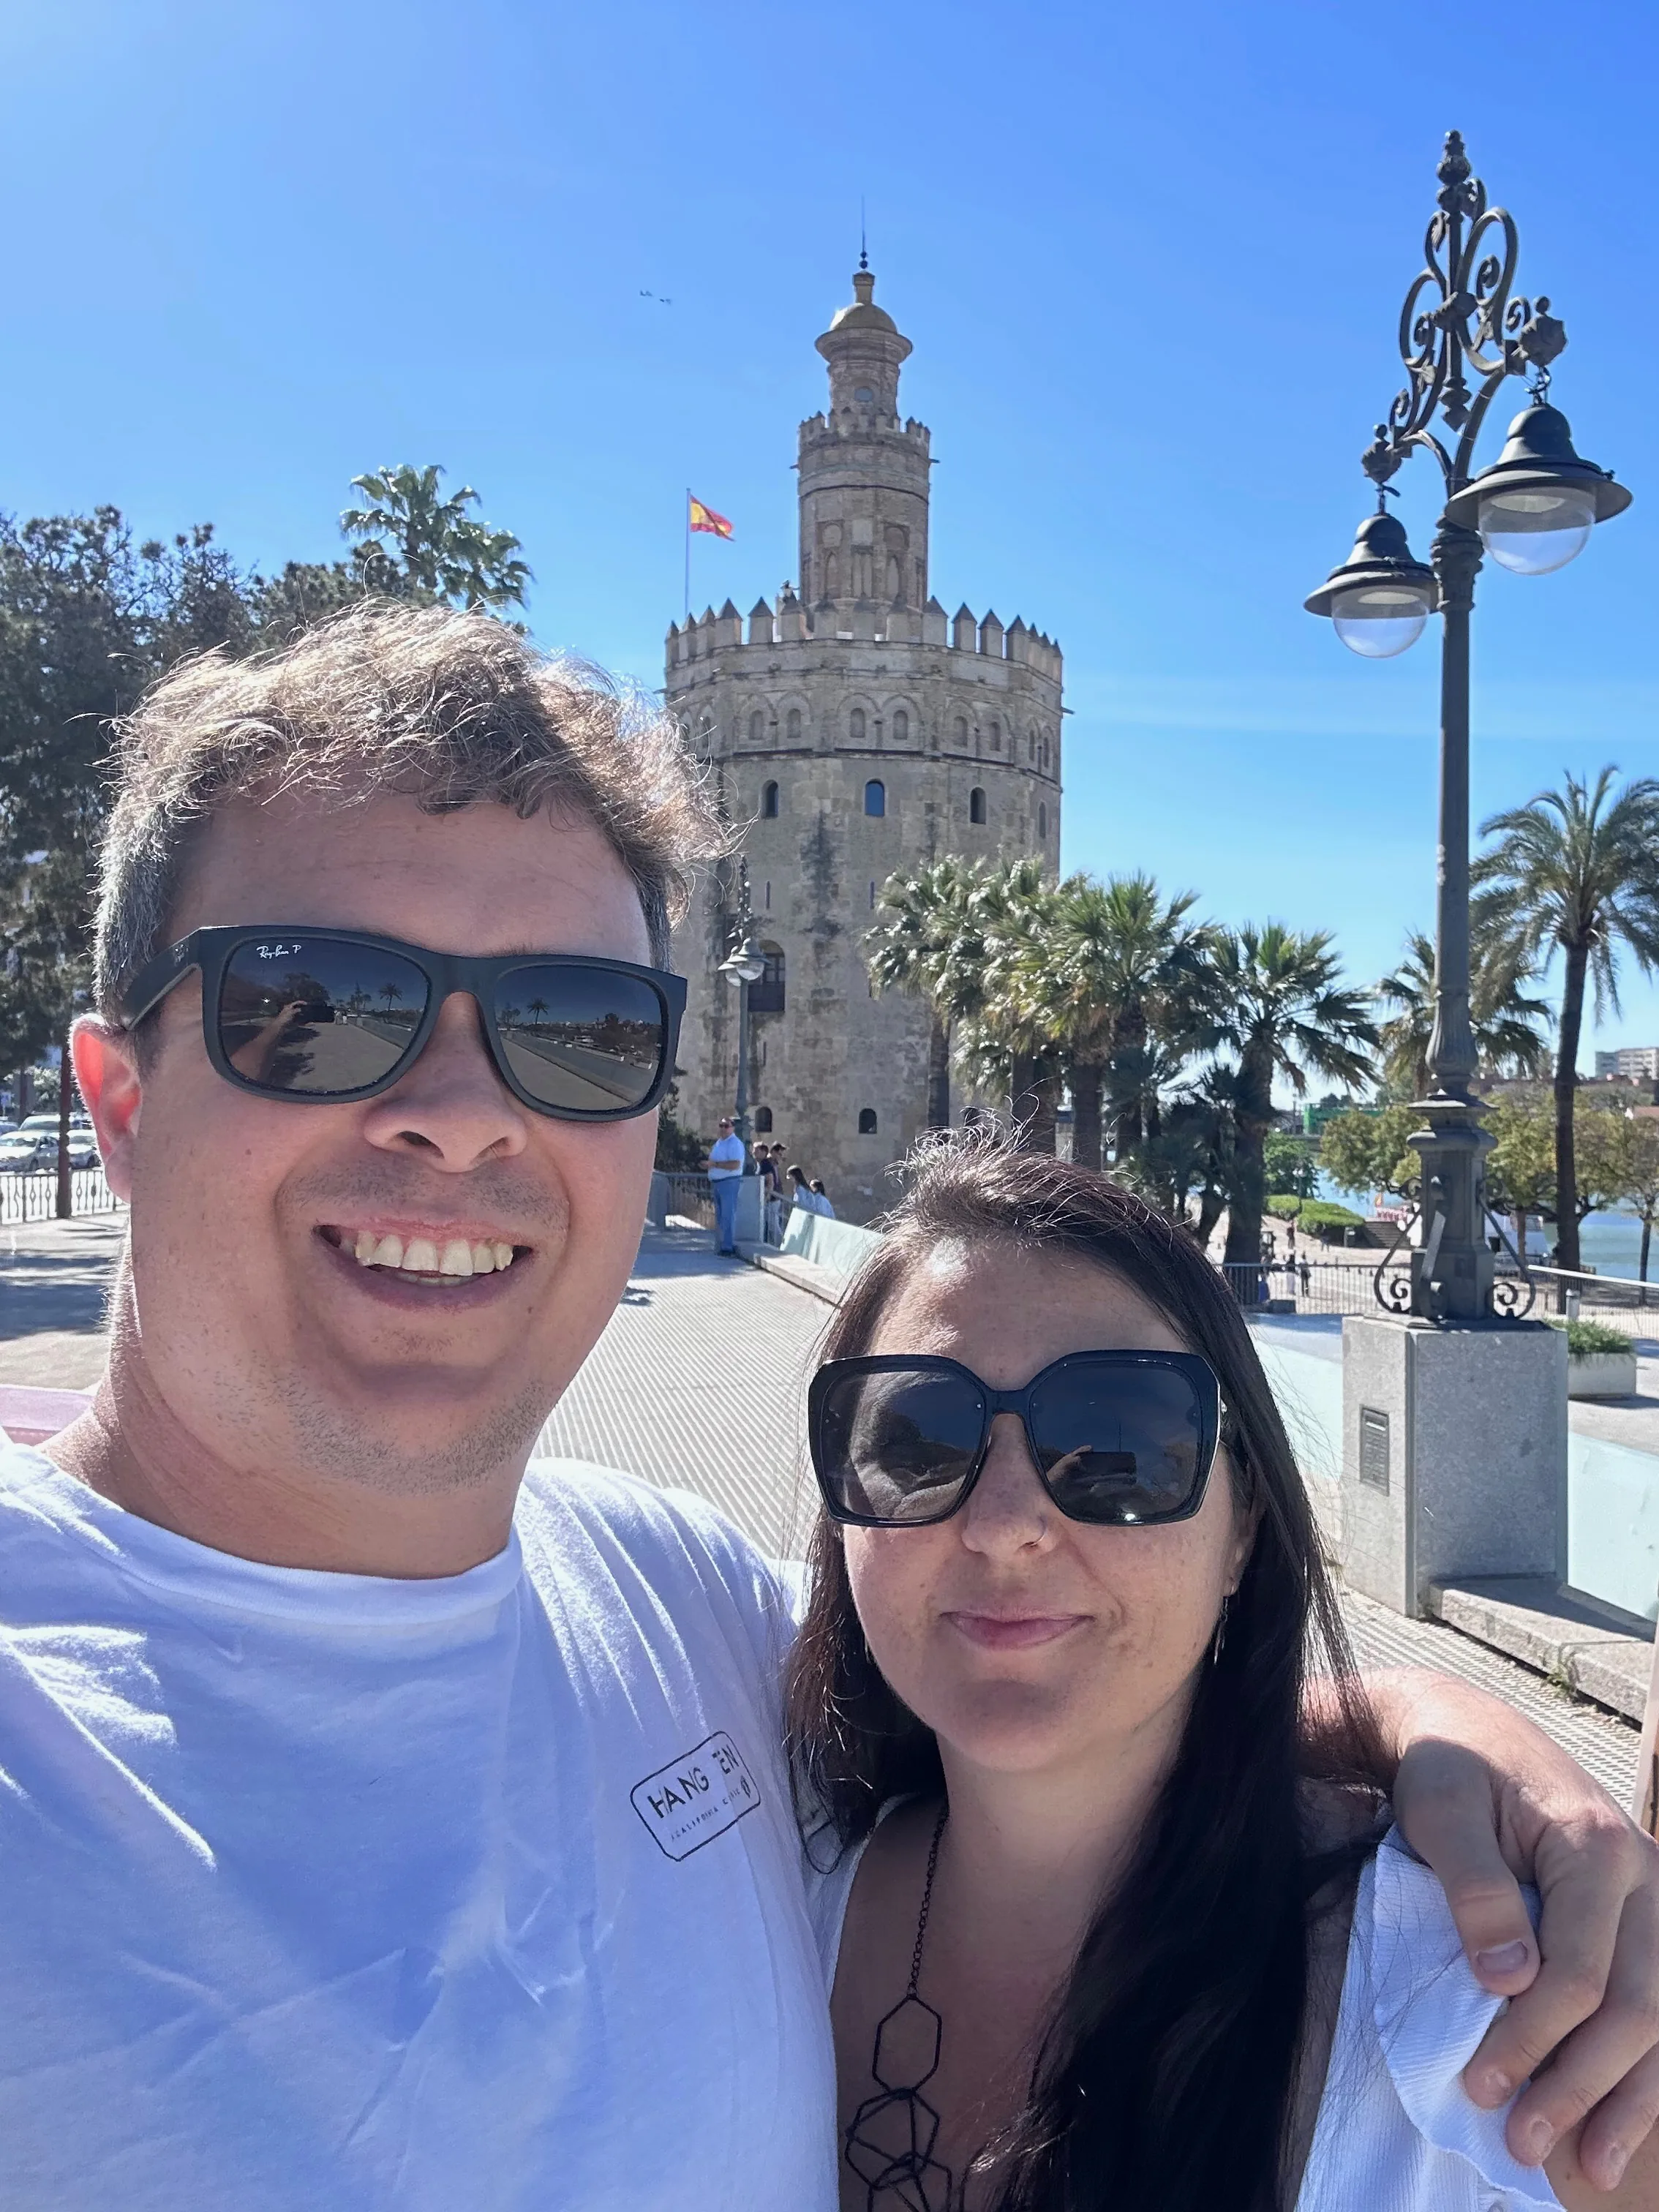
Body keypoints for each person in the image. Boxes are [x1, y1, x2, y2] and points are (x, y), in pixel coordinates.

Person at [0, 606, 1653, 2208]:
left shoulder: (670, 1604)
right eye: (313, 1009)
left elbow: (1024, 1678)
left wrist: (1457, 1733)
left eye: (573, 1032)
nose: (457, 1115)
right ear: (120, 1100)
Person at [790, 1137, 1659, 2211]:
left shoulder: (1480, 1998)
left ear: (1244, 1524)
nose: (1007, 1525)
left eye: (1116, 1448)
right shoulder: (765, 1888)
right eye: (918, 1441)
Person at [704, 1113, 745, 1252]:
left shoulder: (735, 1144)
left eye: (726, 1126)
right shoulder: (720, 1142)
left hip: (729, 1182)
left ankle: (727, 1246)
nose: (723, 1128)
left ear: (732, 1128)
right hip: (718, 1182)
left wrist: (714, 1164)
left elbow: (735, 1164)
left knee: (727, 1215)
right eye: (721, 1126)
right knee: (721, 1216)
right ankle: (721, 1244)